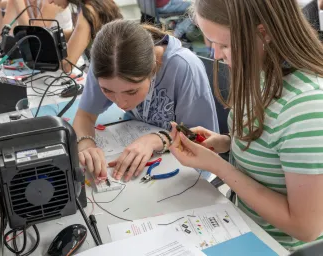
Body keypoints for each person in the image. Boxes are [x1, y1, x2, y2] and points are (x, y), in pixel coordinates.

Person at [169, 0, 323, 252]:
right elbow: (274, 146)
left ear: (263, 33)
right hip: (243, 225)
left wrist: (218, 167)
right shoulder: (262, 71)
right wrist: (225, 142)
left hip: (282, 247)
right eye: (212, 43)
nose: (216, 55)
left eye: (225, 45)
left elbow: (305, 228)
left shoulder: (307, 106)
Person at [73, 20, 219, 183]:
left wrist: (157, 139)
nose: (121, 103)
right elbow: (85, 116)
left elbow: (201, 140)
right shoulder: (104, 64)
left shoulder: (184, 68)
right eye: (107, 91)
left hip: (188, 169)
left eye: (131, 91)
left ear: (153, 67)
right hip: (138, 146)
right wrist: (86, 145)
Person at [48, 0, 123, 72]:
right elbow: (80, 33)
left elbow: (67, 65)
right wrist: (49, 35)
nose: (49, 2)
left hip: (109, 72)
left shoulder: (88, 11)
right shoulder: (98, 3)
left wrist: (43, 57)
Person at [0, 0, 73, 41]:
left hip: (64, 63)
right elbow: (1, 37)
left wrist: (18, 3)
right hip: (39, 60)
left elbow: (33, 38)